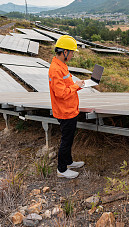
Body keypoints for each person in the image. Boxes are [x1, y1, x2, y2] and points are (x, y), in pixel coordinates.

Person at [48, 35, 85, 179]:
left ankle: (69, 162)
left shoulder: (61, 66)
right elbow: (61, 93)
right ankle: (62, 169)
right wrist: (76, 86)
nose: (73, 55)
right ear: (64, 52)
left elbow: (67, 85)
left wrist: (79, 85)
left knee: (69, 139)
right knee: (66, 140)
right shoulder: (56, 69)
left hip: (69, 109)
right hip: (65, 111)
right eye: (71, 52)